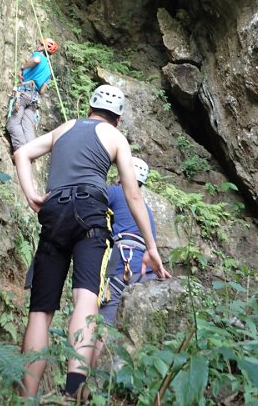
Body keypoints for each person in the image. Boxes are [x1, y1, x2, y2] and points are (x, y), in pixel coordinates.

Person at [14, 85, 170, 401]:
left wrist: (31, 194)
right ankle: (71, 394)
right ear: (118, 119)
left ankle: (26, 398)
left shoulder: (64, 128)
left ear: (89, 109)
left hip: (54, 211)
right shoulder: (115, 137)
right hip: (89, 212)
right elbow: (132, 195)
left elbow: (22, 153)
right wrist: (151, 247)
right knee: (85, 300)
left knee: (40, 311)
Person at [90, 156, 161, 369]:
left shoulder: (116, 192)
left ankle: (87, 378)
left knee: (104, 322)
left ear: (123, 174)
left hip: (123, 262)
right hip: (145, 269)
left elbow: (91, 197)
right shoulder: (145, 208)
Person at [6, 38, 58, 153]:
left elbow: (36, 59)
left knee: (13, 124)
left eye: (39, 44)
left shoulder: (39, 55)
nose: (37, 45)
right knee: (28, 127)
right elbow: (42, 91)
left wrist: (22, 67)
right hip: (34, 99)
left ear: (42, 47)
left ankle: (21, 151)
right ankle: (31, 153)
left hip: (24, 92)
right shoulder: (48, 70)